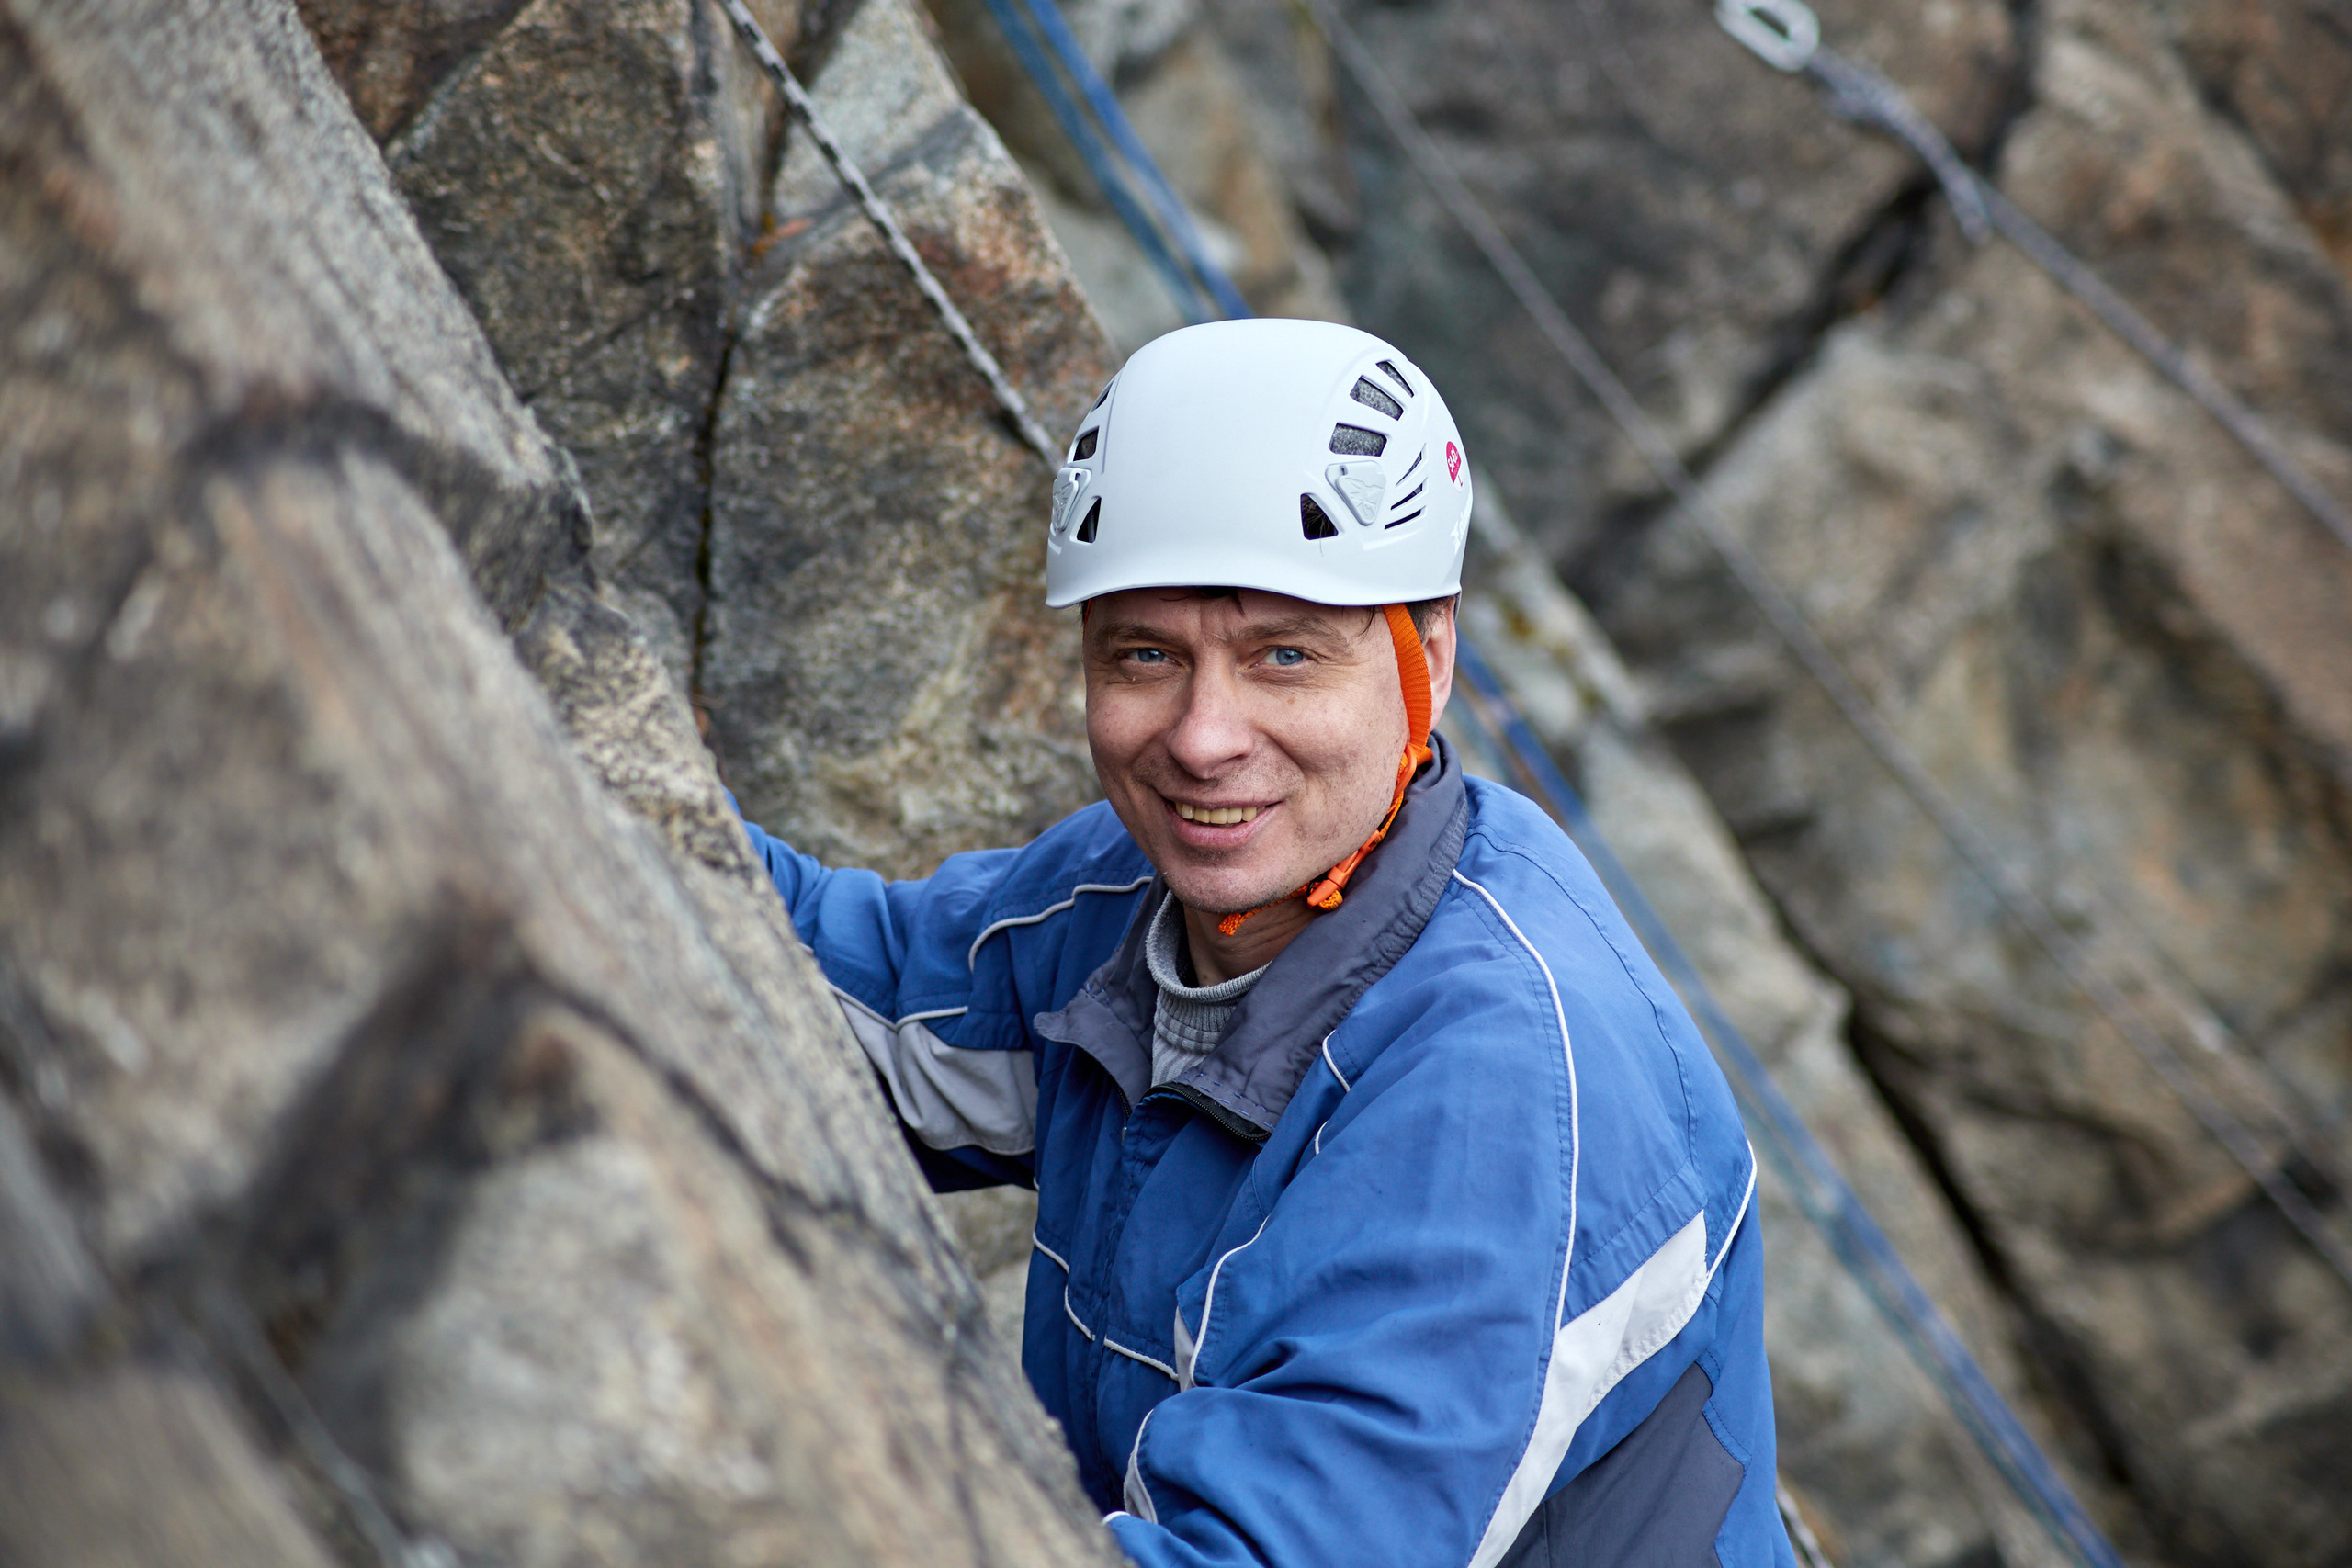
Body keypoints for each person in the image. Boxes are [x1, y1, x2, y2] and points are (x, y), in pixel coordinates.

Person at [738, 319, 1793, 1568]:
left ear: (1429, 657)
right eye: (1146, 655)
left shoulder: (1503, 1084)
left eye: (1284, 656)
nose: (1202, 738)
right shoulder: (1129, 909)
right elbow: (797, 982)